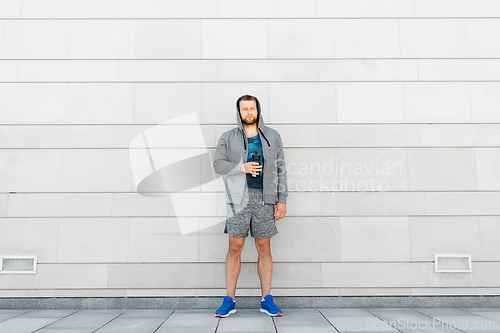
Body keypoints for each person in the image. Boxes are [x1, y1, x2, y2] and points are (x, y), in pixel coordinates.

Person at [213, 94, 288, 318]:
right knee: (235, 247)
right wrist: (242, 167)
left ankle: (266, 300)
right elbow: (218, 165)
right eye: (244, 109)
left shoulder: (272, 136)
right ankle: (229, 300)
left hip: (265, 199)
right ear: (239, 112)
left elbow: (281, 169)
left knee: (264, 247)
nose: (248, 113)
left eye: (252, 109)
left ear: (258, 110)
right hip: (238, 200)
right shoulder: (228, 137)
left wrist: (281, 199)